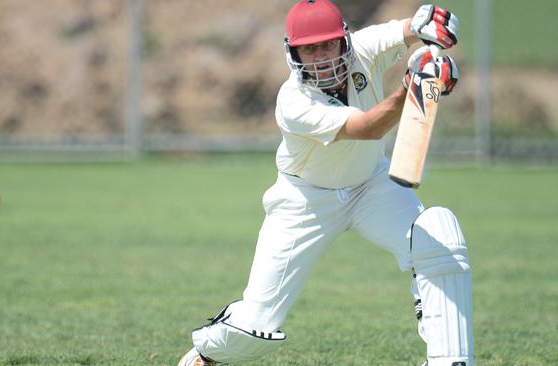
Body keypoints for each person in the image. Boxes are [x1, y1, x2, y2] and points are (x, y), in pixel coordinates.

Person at [178, 1, 472, 365]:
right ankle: (205, 354)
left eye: (328, 45)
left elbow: (408, 29)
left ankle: (450, 360)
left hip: (372, 185)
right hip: (305, 202)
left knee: (439, 237)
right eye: (310, 48)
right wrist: (415, 87)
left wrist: (431, 25)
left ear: (343, 41)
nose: (321, 57)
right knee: (254, 328)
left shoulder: (362, 49)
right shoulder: (293, 102)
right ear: (294, 52)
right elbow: (368, 128)